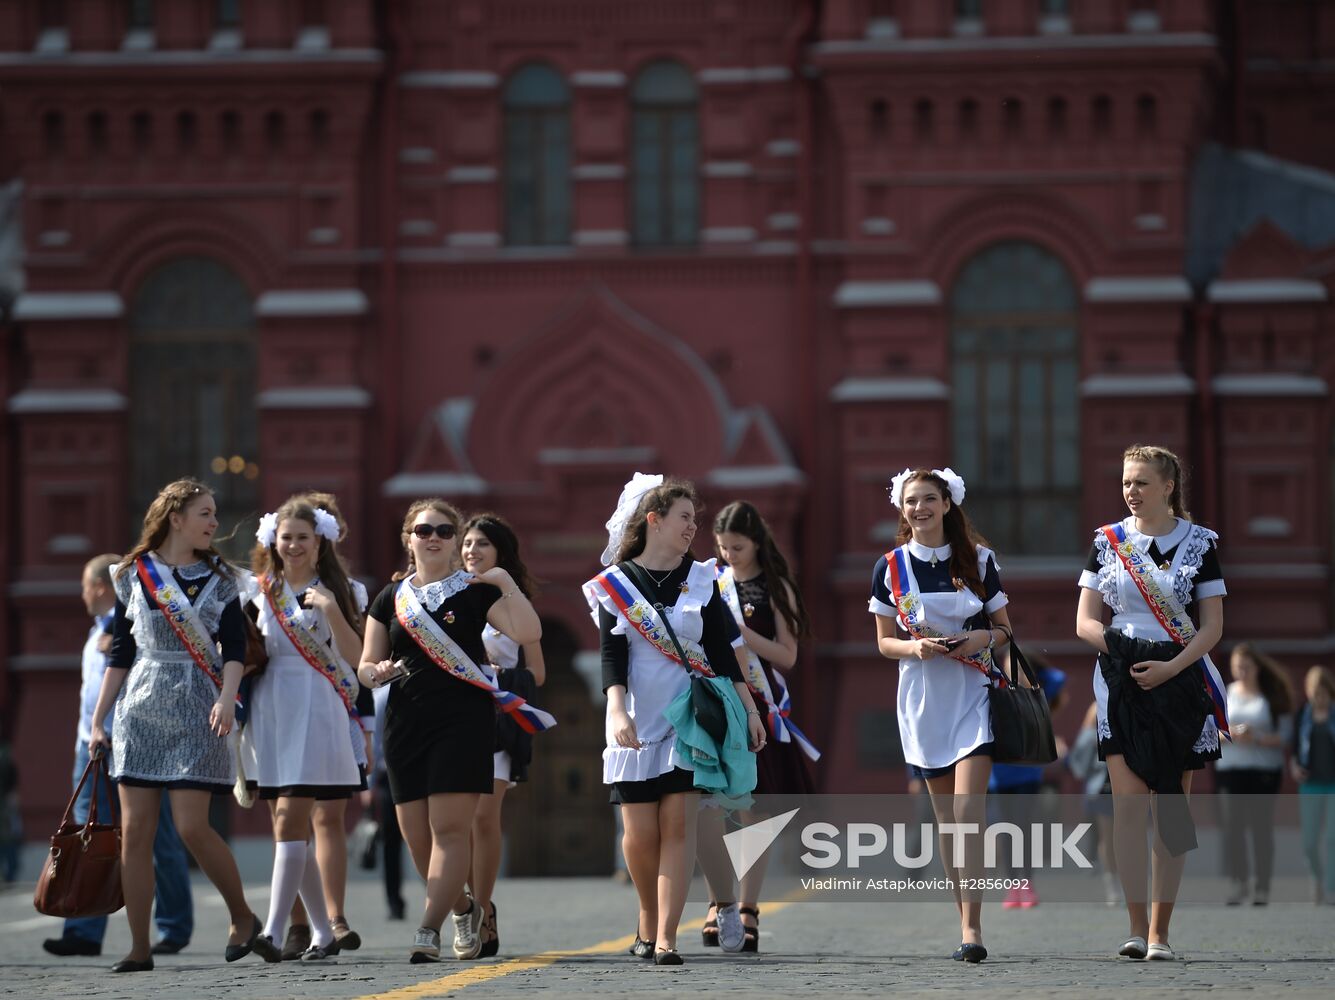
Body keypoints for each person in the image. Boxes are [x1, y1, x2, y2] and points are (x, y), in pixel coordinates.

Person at [89, 478, 280, 972]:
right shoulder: (133, 575)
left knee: (193, 827)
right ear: (176, 518)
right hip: (141, 708)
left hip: (200, 704)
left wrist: (226, 696)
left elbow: (235, 649)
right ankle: (139, 947)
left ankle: (242, 918)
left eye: (215, 514)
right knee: (136, 834)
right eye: (205, 514)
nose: (215, 523)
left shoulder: (221, 578)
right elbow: (122, 652)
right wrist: (98, 719)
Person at [584, 474, 765, 966]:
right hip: (636, 718)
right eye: (684, 517)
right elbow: (610, 654)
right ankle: (647, 919)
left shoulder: (703, 579)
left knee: (679, 827)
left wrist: (750, 710)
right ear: (654, 520)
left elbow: (725, 657)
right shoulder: (615, 585)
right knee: (640, 835)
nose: (693, 527)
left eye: (695, 519)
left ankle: (666, 936)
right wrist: (617, 707)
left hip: (690, 718)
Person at [358, 498, 546, 964]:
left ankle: (428, 929)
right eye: (425, 531)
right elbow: (363, 665)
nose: (435, 538)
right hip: (405, 723)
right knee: (416, 838)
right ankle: (463, 906)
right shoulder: (390, 597)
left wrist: (503, 582)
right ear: (409, 538)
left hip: (463, 723)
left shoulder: (476, 591)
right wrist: (375, 672)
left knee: (449, 832)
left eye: (445, 531)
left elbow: (526, 631)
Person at [1075, 444, 1230, 962]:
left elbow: (1212, 627)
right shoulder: (1107, 542)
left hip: (1180, 683)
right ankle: (1135, 927)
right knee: (1127, 809)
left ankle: (1162, 932)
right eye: (1125, 483)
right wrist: (1126, 653)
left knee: (1170, 807)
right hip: (1120, 683)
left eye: (1141, 482)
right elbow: (1085, 622)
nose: (1131, 492)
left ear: (1168, 487)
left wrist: (1169, 667)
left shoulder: (1201, 544)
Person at [870, 467, 1012, 963]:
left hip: (973, 693)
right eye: (911, 501)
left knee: (969, 812)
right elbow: (885, 642)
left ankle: (975, 927)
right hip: (923, 700)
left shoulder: (979, 559)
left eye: (929, 499)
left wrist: (979, 639)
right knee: (947, 821)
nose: (920, 508)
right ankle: (965, 923)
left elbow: (1004, 631)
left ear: (947, 504)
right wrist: (914, 648)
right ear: (902, 508)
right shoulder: (890, 567)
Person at [44, 554, 194, 959]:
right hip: (91, 747)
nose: (81, 594)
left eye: (84, 586)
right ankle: (84, 930)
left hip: (135, 745)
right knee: (88, 841)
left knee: (155, 838)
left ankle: (174, 927)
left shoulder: (137, 623)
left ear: (99, 587)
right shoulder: (96, 632)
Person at [242, 494, 369, 961]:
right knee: (287, 821)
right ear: (274, 542)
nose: (293, 545)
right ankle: (321, 930)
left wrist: (331, 609)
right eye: (286, 538)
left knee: (290, 818)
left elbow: (359, 661)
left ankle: (273, 931)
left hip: (319, 708)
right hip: (271, 710)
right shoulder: (256, 593)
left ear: (320, 544)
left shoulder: (347, 592)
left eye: (303, 538)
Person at [697, 499, 815, 953]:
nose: (729, 556)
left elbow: (787, 655)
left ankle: (747, 908)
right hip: (718, 701)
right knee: (714, 806)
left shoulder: (775, 587)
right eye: (723, 547)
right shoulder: (711, 584)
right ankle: (717, 903)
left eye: (738, 547)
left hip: (760, 702)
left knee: (752, 811)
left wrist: (740, 635)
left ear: (757, 542)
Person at [454, 513, 546, 959]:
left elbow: (539, 672)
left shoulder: (514, 602)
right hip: (452, 719)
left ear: (500, 554)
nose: (471, 551)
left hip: (495, 719)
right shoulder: (443, 595)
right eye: (467, 543)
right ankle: (465, 904)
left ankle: (483, 909)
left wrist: (496, 672)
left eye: (482, 545)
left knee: (484, 818)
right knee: (457, 821)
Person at [1214, 642, 1294, 906]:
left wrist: (1256, 737)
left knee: (1261, 828)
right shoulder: (1227, 693)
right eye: (1237, 667)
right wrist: (1230, 736)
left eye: (1246, 667)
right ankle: (1239, 883)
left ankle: (1262, 886)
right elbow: (1211, 731)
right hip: (1230, 769)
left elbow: (1285, 736)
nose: (1242, 672)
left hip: (1263, 770)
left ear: (1257, 667)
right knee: (1232, 828)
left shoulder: (1271, 696)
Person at [989, 657, 1066, 909]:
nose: (1014, 672)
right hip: (999, 775)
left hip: (1028, 774)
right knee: (1007, 832)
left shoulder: (1035, 694)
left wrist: (1031, 671)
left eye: (1019, 667)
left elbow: (1058, 678)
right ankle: (1013, 887)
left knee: (1025, 829)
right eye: (1010, 667)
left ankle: (1027, 884)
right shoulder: (995, 690)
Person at [1291, 665, 1335, 904]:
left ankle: (1331, 888)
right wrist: (1295, 766)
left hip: (1333, 785)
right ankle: (1316, 878)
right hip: (1310, 785)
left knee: (1332, 838)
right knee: (1309, 841)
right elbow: (1294, 749)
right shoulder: (1302, 715)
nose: (1318, 698)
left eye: (1322, 692)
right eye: (1313, 692)